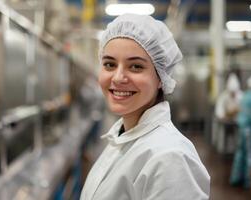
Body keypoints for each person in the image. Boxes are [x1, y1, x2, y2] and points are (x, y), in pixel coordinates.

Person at [80, 14, 210, 200]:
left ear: (160, 78)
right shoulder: (121, 139)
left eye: (135, 67)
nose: (117, 78)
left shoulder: (170, 158)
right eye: (109, 64)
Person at [213, 73, 243, 153]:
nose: (233, 94)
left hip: (237, 121)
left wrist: (237, 112)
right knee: (224, 138)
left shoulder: (241, 96)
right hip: (226, 122)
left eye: (234, 93)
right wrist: (225, 115)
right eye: (231, 93)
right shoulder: (223, 96)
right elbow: (219, 111)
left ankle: (237, 150)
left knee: (238, 140)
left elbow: (243, 109)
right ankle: (224, 151)